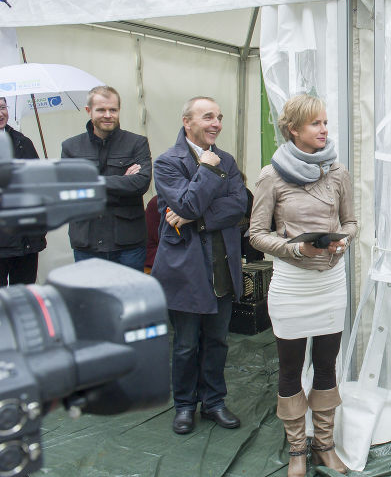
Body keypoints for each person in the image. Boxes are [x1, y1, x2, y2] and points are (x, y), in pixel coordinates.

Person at [248, 94, 356, 476]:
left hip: (330, 283)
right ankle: (297, 450)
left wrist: (342, 239)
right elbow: (256, 234)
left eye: (326, 122)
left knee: (327, 366)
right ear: (293, 129)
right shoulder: (270, 175)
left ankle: (324, 446)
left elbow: (351, 221)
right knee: (290, 370)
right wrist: (296, 249)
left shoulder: (338, 172)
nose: (324, 130)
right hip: (291, 287)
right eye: (315, 123)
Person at [151, 97, 246, 435]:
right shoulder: (166, 162)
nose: (216, 123)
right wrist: (206, 171)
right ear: (187, 121)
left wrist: (196, 217)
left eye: (219, 117)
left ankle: (214, 402)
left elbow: (238, 205)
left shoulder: (228, 160)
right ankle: (185, 406)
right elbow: (186, 201)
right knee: (187, 344)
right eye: (208, 117)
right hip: (185, 270)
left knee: (218, 341)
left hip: (221, 265)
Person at [61, 86, 151, 271]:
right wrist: (122, 182)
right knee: (92, 298)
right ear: (89, 111)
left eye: (113, 110)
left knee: (130, 297)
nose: (108, 115)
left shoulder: (137, 143)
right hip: (87, 241)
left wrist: (92, 182)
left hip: (128, 242)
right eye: (101, 110)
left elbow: (141, 184)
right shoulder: (71, 147)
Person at [0, 97, 46, 285]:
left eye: (2, 107)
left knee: (25, 299)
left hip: (25, 239)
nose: (0, 113)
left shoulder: (22, 142)